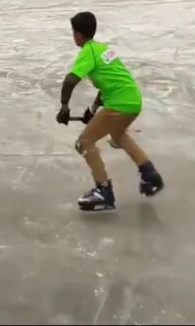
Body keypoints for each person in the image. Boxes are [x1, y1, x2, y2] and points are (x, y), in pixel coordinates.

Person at [57, 11, 164, 211]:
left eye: (73, 31)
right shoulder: (103, 49)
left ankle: (103, 190)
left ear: (79, 34)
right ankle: (150, 174)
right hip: (133, 100)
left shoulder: (88, 51)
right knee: (118, 134)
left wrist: (64, 107)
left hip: (119, 104)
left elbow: (70, 80)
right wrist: (93, 109)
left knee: (85, 142)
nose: (73, 35)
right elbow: (107, 84)